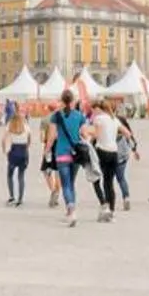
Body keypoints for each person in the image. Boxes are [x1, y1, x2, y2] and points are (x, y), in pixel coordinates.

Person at [48, 90, 88, 227]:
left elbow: (52, 136)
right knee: (71, 183)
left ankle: (70, 211)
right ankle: (72, 210)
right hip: (76, 154)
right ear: (73, 101)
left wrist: (47, 150)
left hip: (61, 153)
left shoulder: (55, 116)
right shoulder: (79, 116)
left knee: (65, 184)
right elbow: (84, 133)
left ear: (62, 100)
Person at [87, 101, 125, 221]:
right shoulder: (114, 119)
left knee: (96, 178)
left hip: (102, 151)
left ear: (99, 109)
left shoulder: (98, 118)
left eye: (94, 109)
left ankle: (104, 204)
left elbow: (96, 134)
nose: (93, 112)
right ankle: (111, 212)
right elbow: (127, 133)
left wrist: (87, 134)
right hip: (114, 152)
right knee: (109, 183)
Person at [0, 105, 32, 206]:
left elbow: (3, 139)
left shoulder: (10, 125)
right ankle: (20, 198)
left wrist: (4, 150)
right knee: (21, 176)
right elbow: (29, 140)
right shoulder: (26, 126)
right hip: (23, 151)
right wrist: (27, 148)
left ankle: (12, 196)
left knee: (10, 175)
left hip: (13, 151)